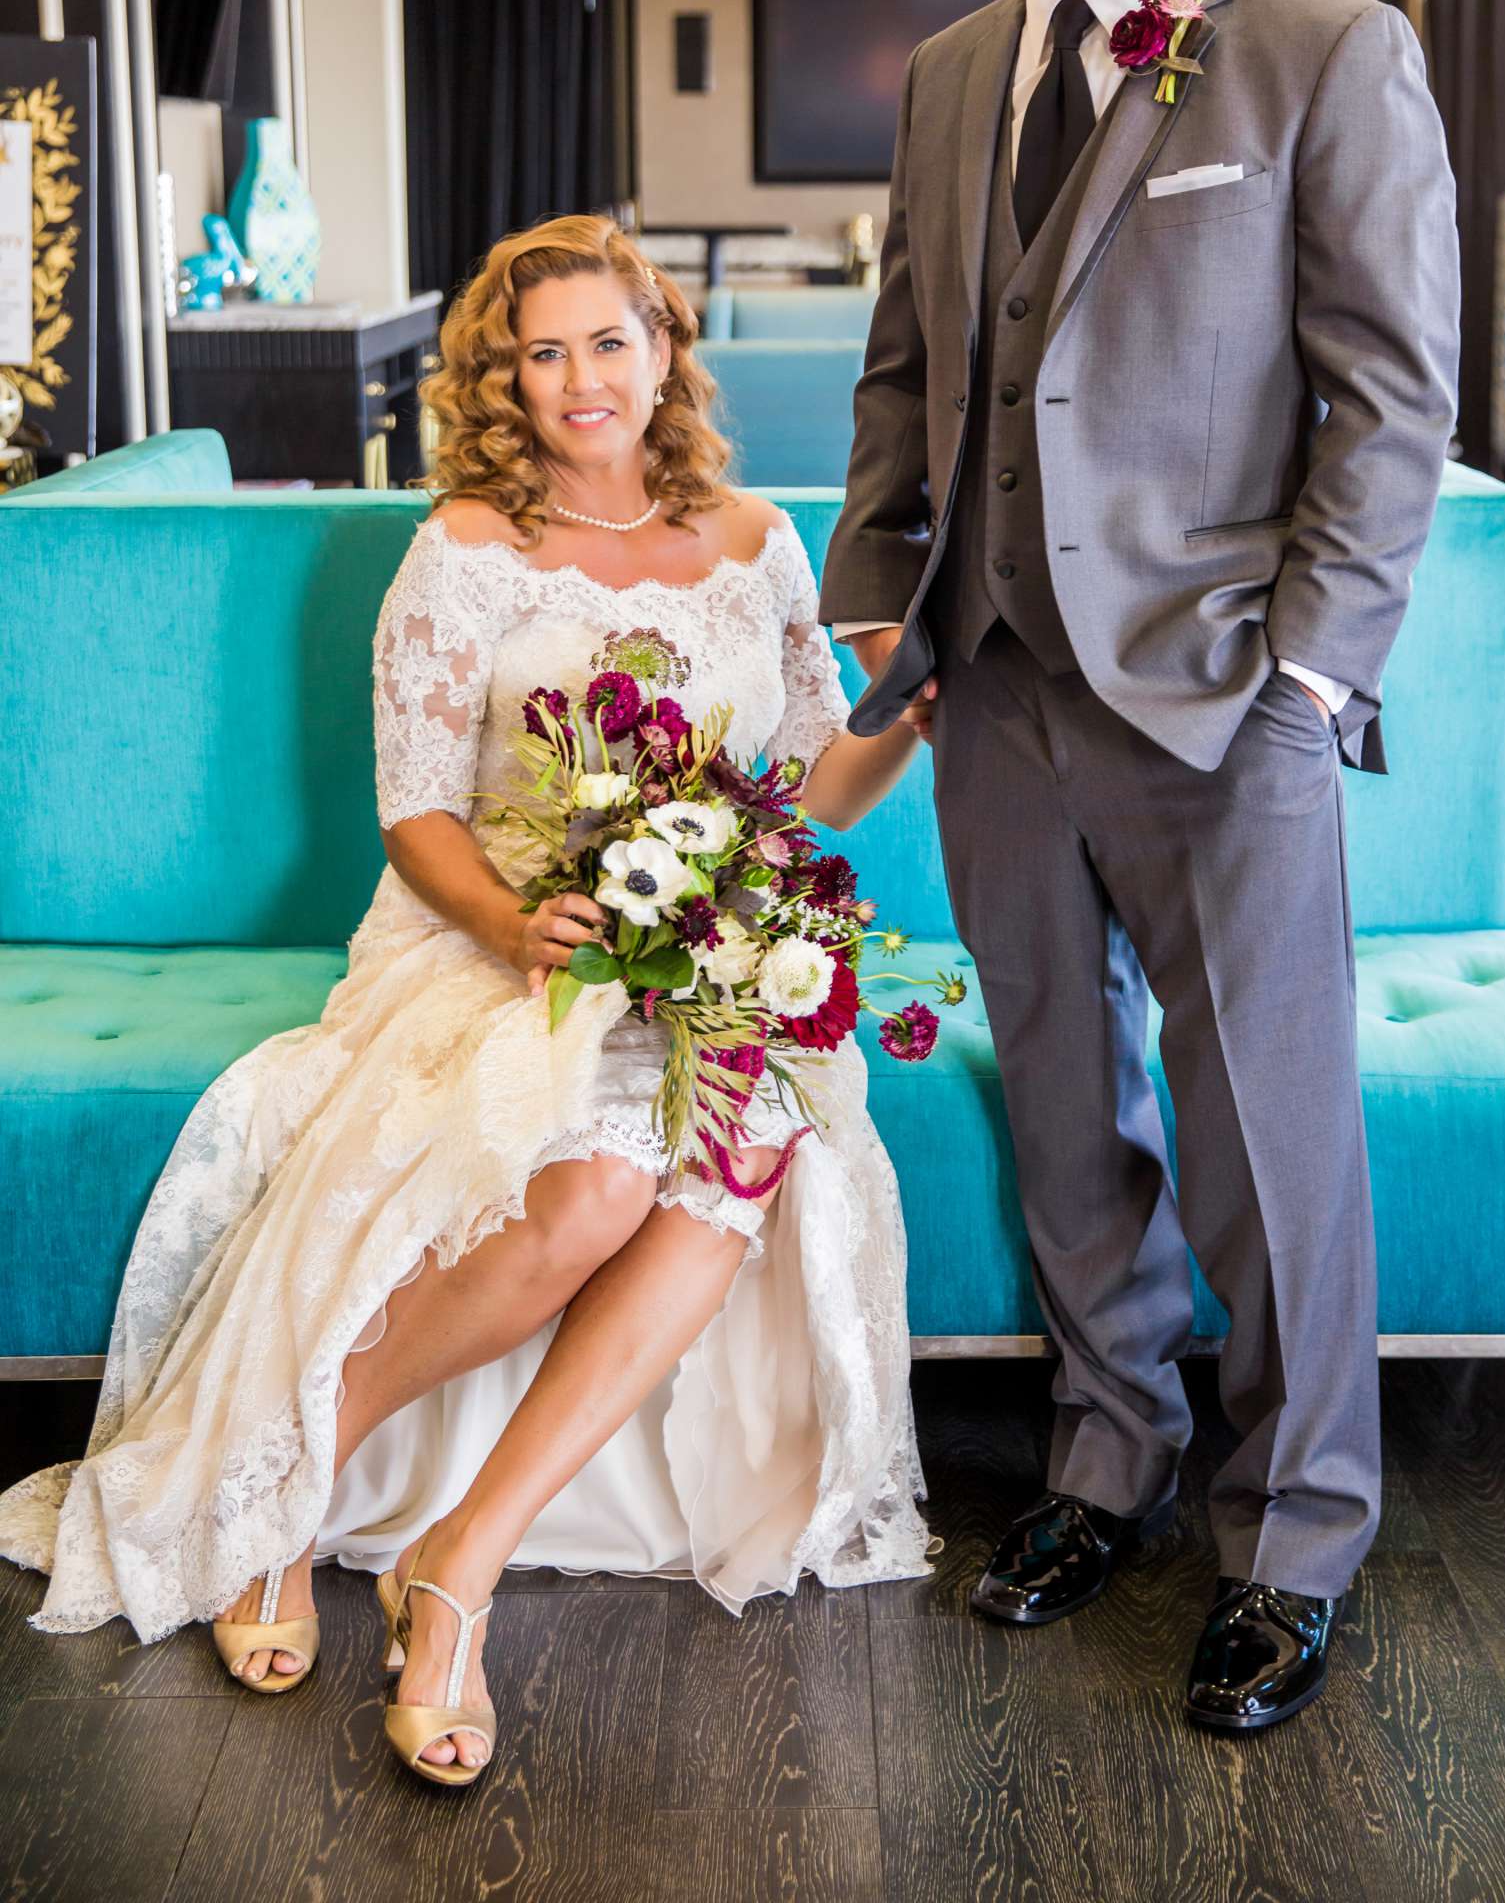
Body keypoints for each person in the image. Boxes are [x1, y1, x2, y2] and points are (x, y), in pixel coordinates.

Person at [0, 217, 933, 1786]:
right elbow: (416, 812)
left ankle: (460, 1570)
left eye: (607, 342)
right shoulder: (467, 548)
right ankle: (276, 1484)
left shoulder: (760, 540)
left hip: (702, 947)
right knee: (593, 1191)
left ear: (662, 347)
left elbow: (816, 788)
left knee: (733, 1171)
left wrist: (913, 702)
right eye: (543, 352)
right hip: (496, 937)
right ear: (508, 378)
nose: (581, 380)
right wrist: (524, 928)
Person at [820, 0, 1459, 1734]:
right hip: (991, 689)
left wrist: (1302, 681)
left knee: (1266, 1139)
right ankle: (1106, 1456)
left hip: (1225, 707)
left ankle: (1293, 1536)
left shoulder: (1314, 48)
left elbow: (1387, 406)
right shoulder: (942, 81)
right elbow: (908, 371)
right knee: (1066, 1116)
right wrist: (875, 600)